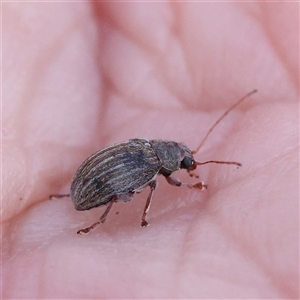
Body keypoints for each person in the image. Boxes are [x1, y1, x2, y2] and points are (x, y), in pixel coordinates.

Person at [2, 2, 298, 298]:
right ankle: (99, 222)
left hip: (91, 177)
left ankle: (75, 197)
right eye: (185, 161)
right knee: (125, 194)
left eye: (185, 160)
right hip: (91, 188)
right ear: (171, 158)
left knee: (129, 190)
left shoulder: (147, 147)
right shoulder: (152, 168)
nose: (187, 164)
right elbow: (163, 183)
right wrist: (185, 191)